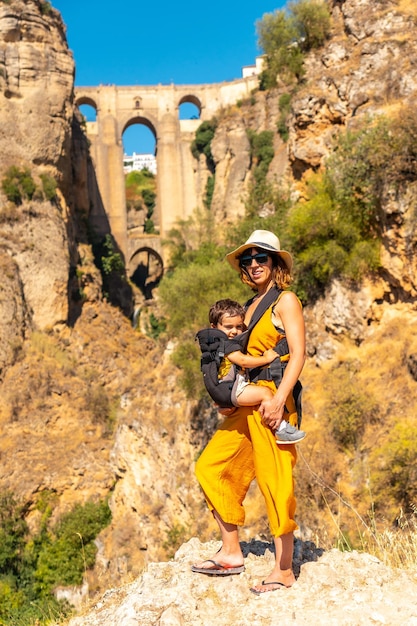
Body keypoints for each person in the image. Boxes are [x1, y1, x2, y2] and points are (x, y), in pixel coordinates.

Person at [191, 229, 306, 594]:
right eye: (248, 260)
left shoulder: (285, 300)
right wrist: (227, 396)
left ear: (276, 264)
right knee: (212, 466)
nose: (254, 265)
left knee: (275, 480)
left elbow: (298, 354)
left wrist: (278, 399)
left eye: (262, 258)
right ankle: (231, 553)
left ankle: (283, 569)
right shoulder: (250, 304)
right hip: (248, 400)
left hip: (273, 400)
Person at [206, 298, 305, 444]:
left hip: (237, 391)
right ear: (214, 327)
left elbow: (298, 353)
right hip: (237, 391)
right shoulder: (225, 345)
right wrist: (266, 359)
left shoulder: (215, 345)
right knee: (265, 393)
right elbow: (243, 361)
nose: (234, 331)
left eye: (239, 327)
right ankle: (281, 428)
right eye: (228, 327)